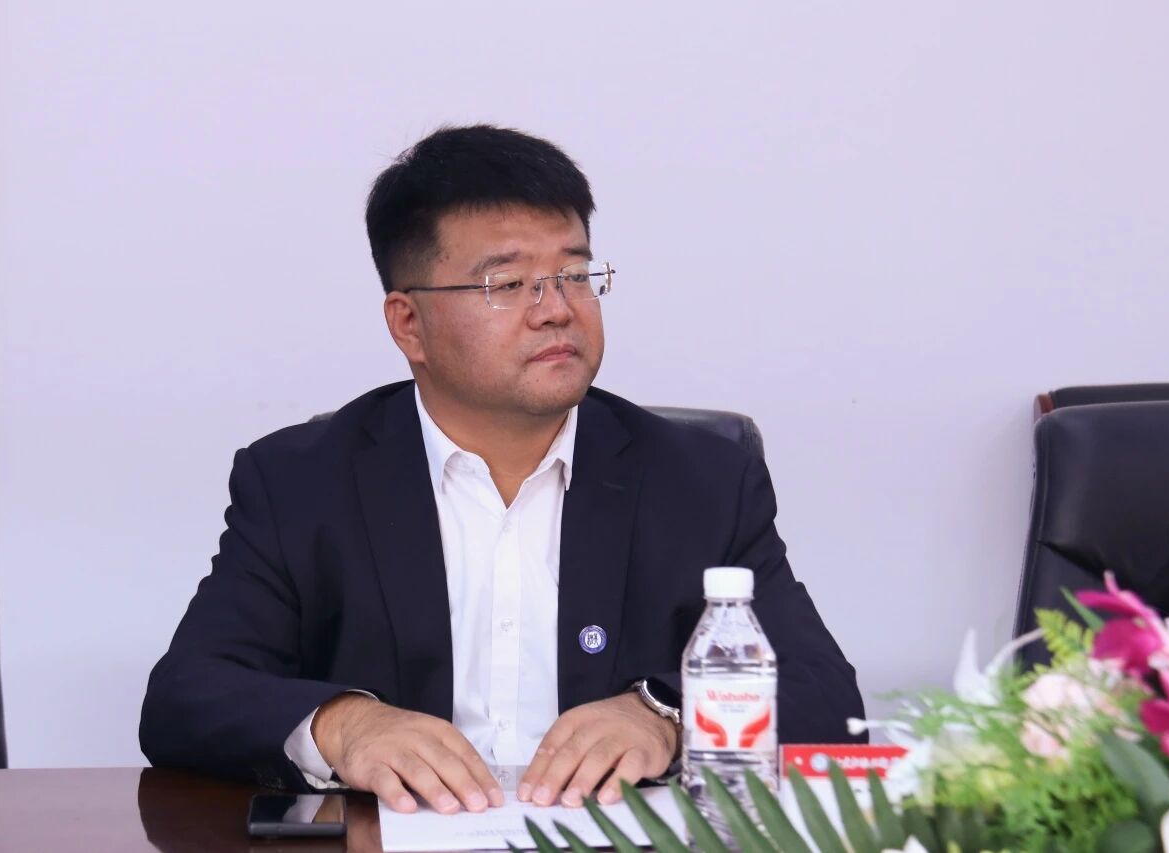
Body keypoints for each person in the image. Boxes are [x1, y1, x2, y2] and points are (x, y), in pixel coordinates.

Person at [139, 125, 864, 814]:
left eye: (575, 274)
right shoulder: (303, 481)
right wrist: (344, 724)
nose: (557, 310)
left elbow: (827, 696)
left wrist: (666, 715)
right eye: (508, 284)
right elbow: (186, 696)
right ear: (409, 324)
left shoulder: (701, 478)